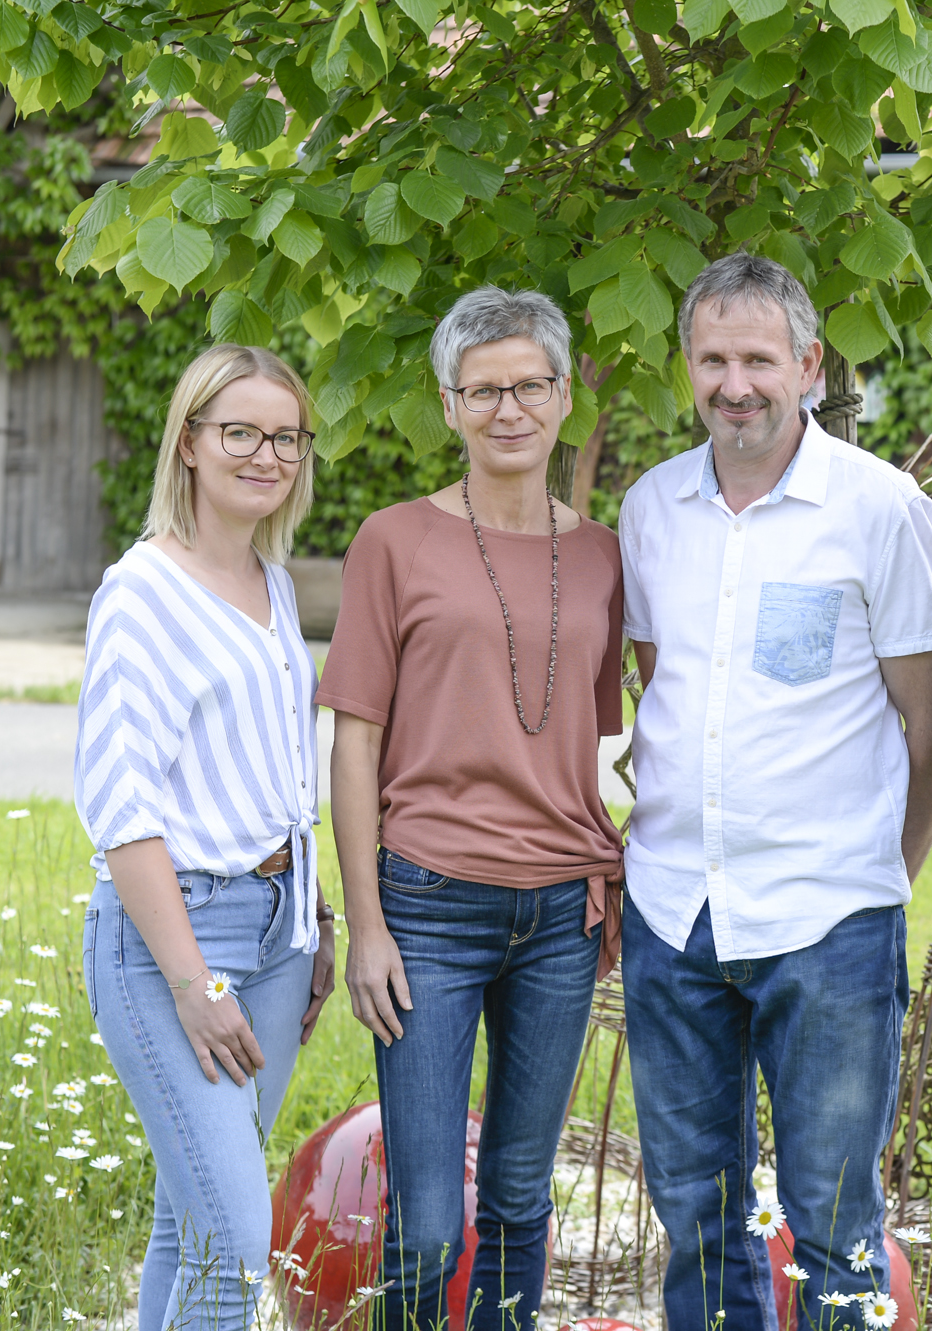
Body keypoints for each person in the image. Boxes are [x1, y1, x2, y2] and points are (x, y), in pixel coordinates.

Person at [618, 252, 932, 1329]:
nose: (735, 384)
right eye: (712, 358)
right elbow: (655, 689)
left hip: (828, 922)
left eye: (759, 358)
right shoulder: (649, 508)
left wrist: (878, 877)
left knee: (835, 1233)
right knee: (696, 1218)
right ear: (687, 368)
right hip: (673, 912)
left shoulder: (880, 509)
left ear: (809, 364)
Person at [319, 286, 627, 1331]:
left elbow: (589, 740)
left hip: (559, 919)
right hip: (426, 907)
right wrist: (366, 923)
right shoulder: (391, 541)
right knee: (424, 1225)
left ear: (564, 393)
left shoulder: (601, 554)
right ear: (448, 404)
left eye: (530, 383)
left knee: (517, 1201)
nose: (509, 408)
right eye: (483, 389)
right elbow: (355, 738)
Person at [75, 344, 336, 1331]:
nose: (265, 454)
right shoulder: (143, 590)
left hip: (277, 935)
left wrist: (311, 912)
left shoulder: (271, 581)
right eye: (239, 431)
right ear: (188, 441)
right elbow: (121, 805)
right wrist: (194, 979)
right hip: (173, 941)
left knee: (191, 1226)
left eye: (285, 436)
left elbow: (270, 772)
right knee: (234, 1246)